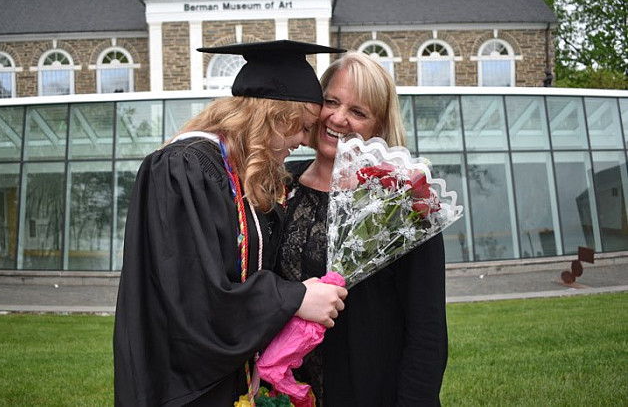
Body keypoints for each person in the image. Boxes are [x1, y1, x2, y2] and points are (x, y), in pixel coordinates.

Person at [113, 40, 348, 407]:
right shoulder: (183, 169)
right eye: (302, 127)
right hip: (186, 388)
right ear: (274, 115)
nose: (304, 141)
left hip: (229, 380)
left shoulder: (240, 176)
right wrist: (295, 297)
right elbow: (192, 298)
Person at [275, 51, 448, 406]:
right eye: (330, 101)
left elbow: (427, 333)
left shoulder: (403, 204)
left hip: (371, 392)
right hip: (283, 390)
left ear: (379, 127)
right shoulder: (279, 188)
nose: (338, 118)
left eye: (358, 112)